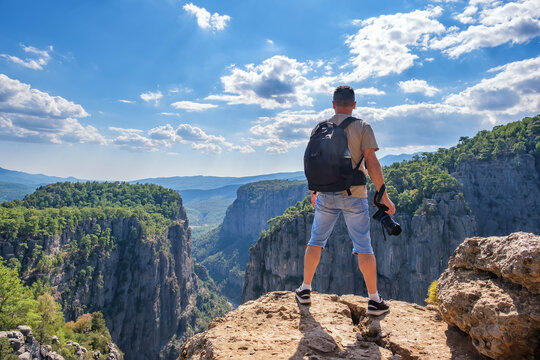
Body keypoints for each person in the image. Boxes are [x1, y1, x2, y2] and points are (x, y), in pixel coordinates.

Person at [296, 85, 396, 316]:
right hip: (354, 194)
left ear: (333, 104)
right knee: (363, 245)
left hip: (325, 194)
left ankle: (305, 289)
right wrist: (383, 196)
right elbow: (372, 163)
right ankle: (374, 300)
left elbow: (314, 162)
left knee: (316, 240)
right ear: (354, 104)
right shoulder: (362, 127)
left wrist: (315, 190)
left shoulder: (319, 127)